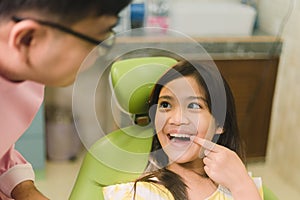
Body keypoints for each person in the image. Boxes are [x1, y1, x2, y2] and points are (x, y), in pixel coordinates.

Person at [0, 0, 131, 199]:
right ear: (28, 38)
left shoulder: (27, 78)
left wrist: (24, 189)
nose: (97, 54)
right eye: (95, 41)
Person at [102, 61, 263, 199]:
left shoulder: (242, 184)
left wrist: (241, 185)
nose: (177, 119)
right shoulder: (140, 193)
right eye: (165, 104)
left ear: (220, 123)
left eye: (194, 106)